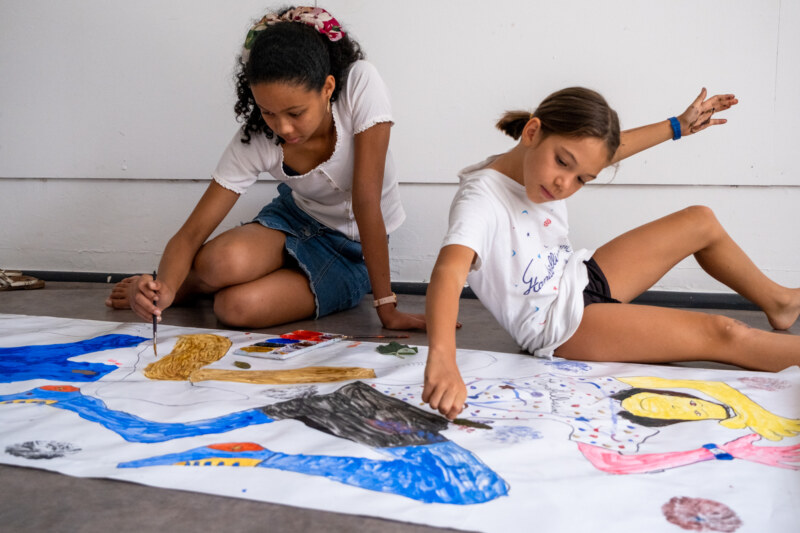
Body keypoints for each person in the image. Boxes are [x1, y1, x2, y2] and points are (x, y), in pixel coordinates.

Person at [423, 86, 800, 419]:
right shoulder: (481, 199)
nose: (564, 184)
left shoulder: (548, 161)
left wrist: (678, 126)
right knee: (723, 332)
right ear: (533, 132)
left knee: (700, 221)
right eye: (563, 163)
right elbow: (449, 272)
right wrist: (442, 357)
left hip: (579, 277)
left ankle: (780, 302)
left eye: (582, 179)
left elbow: (605, 151)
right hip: (561, 327)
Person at [105, 6, 424, 330]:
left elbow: (366, 200)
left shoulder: (360, 83)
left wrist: (387, 308)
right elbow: (191, 235)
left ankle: (207, 284)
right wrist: (160, 290)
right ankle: (172, 288)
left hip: (351, 251)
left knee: (234, 308)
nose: (282, 128)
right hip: (294, 221)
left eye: (295, 113)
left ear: (327, 88)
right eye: (268, 112)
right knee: (218, 262)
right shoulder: (257, 137)